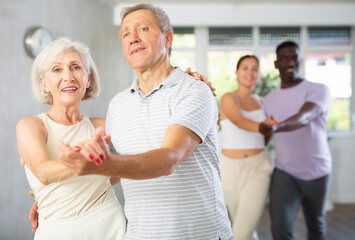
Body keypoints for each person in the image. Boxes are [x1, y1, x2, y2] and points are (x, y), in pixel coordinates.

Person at [58, 3, 233, 240]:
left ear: (168, 38)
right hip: (139, 234)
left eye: (143, 29)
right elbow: (114, 173)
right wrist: (54, 200)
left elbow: (169, 158)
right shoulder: (118, 104)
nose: (133, 38)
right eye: (126, 34)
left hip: (200, 234)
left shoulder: (194, 91)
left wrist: (107, 164)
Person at [16, 38, 126, 240]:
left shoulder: (101, 126)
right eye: (57, 70)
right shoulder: (31, 126)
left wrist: (188, 81)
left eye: (75, 67)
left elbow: (140, 158)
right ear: (44, 83)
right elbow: (44, 173)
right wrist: (84, 156)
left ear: (88, 79)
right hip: (56, 229)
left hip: (109, 222)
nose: (68, 76)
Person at [259, 41, 332, 240]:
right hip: (285, 171)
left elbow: (304, 117)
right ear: (276, 64)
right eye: (285, 58)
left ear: (302, 60)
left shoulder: (318, 90)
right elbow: (265, 136)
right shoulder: (269, 100)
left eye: (295, 57)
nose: (290, 62)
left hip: (317, 171)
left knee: (316, 224)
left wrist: (276, 126)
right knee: (280, 228)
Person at [219, 55, 277, 240]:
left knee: (241, 233)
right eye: (245, 68)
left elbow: (267, 135)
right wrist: (262, 126)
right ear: (237, 73)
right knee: (244, 228)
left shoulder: (261, 102)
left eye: (254, 69)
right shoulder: (228, 98)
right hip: (229, 170)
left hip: (258, 168)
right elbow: (238, 120)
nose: (250, 73)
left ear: (259, 75)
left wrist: (268, 128)